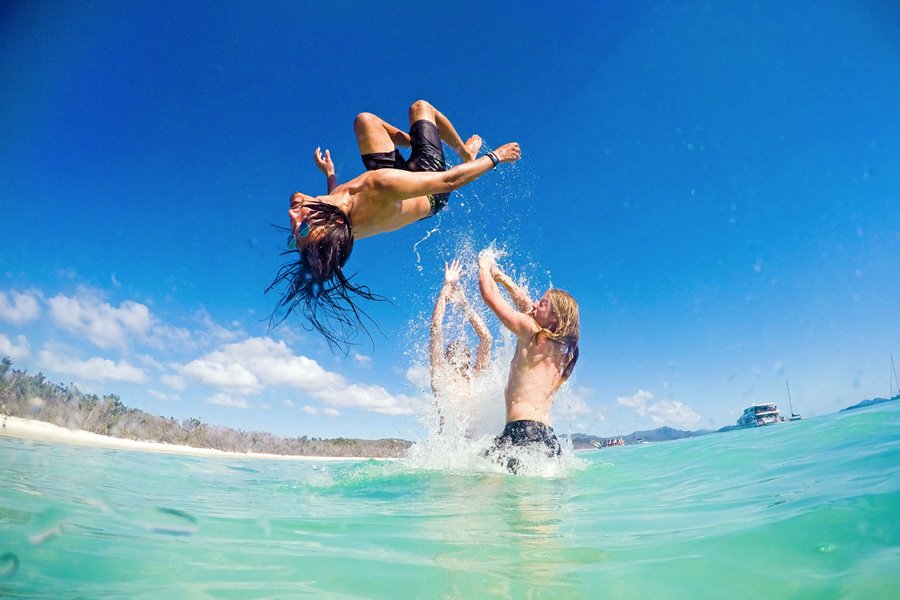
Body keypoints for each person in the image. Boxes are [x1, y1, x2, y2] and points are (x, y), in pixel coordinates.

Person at [267, 99, 521, 349]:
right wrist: (496, 156)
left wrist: (330, 174)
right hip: (430, 189)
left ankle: (421, 138)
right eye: (303, 227)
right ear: (330, 222)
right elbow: (450, 181)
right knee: (421, 108)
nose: (292, 218)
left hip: (395, 186)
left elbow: (332, 203)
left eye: (294, 236)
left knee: (365, 121)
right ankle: (465, 153)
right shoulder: (376, 186)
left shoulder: (336, 208)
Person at [477, 252, 580, 473]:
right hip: (547, 438)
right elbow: (527, 306)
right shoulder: (558, 348)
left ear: (555, 319)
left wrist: (484, 266)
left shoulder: (532, 334)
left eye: (542, 304)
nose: (534, 304)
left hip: (521, 433)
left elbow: (489, 296)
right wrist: (502, 277)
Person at [430, 259, 492, 435]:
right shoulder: (440, 375)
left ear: (470, 357)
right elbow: (436, 328)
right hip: (449, 448)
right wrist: (445, 289)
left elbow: (486, 339)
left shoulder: (475, 378)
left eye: (464, 349)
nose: (459, 348)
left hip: (473, 449)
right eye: (453, 349)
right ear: (447, 356)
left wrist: (465, 305)